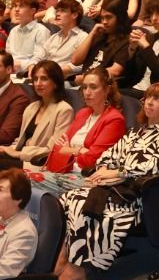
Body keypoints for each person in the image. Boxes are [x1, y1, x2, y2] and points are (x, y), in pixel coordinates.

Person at [56, 82, 159, 280]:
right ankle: (64, 259)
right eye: (148, 97)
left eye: (157, 99)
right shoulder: (135, 133)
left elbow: (154, 166)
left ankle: (78, 268)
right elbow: (109, 155)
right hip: (112, 188)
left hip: (137, 197)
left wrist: (118, 173)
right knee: (67, 199)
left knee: (80, 202)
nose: (149, 102)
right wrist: (102, 171)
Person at [40, 68, 128, 197]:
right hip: (64, 170)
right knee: (21, 180)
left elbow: (92, 160)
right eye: (85, 87)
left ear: (107, 90)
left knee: (27, 182)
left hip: (86, 177)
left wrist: (69, 149)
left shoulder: (114, 119)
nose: (87, 92)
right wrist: (80, 150)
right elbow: (57, 147)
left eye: (93, 87)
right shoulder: (83, 113)